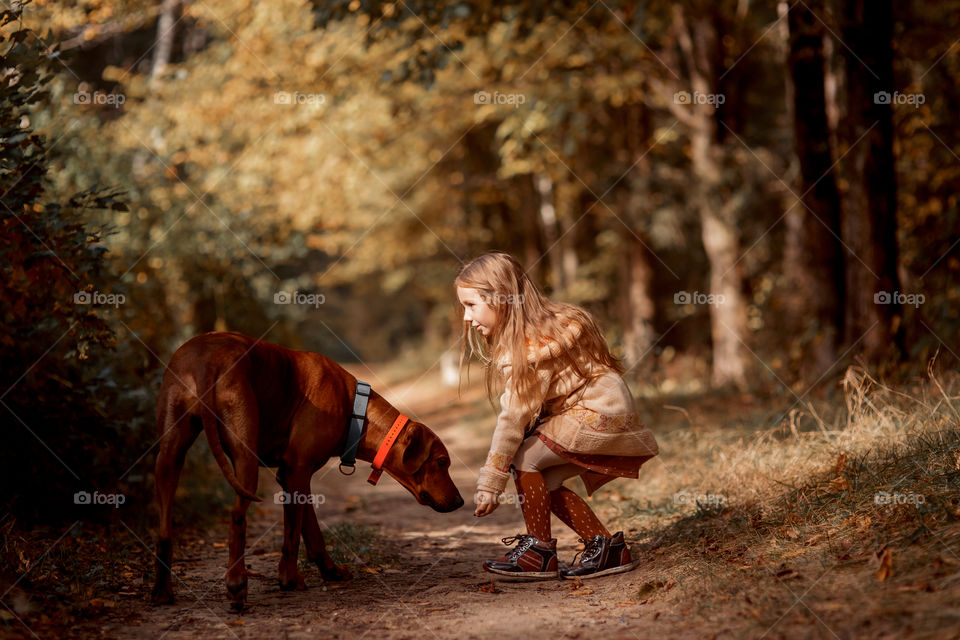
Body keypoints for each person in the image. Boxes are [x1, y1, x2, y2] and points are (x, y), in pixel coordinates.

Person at [455, 252, 659, 580]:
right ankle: (607, 547)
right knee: (542, 483)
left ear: (499, 299)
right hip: (609, 409)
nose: (466, 317)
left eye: (470, 305)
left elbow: (513, 418)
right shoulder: (545, 328)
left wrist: (491, 480)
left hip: (595, 411)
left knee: (524, 458)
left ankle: (539, 551)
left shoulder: (529, 350)